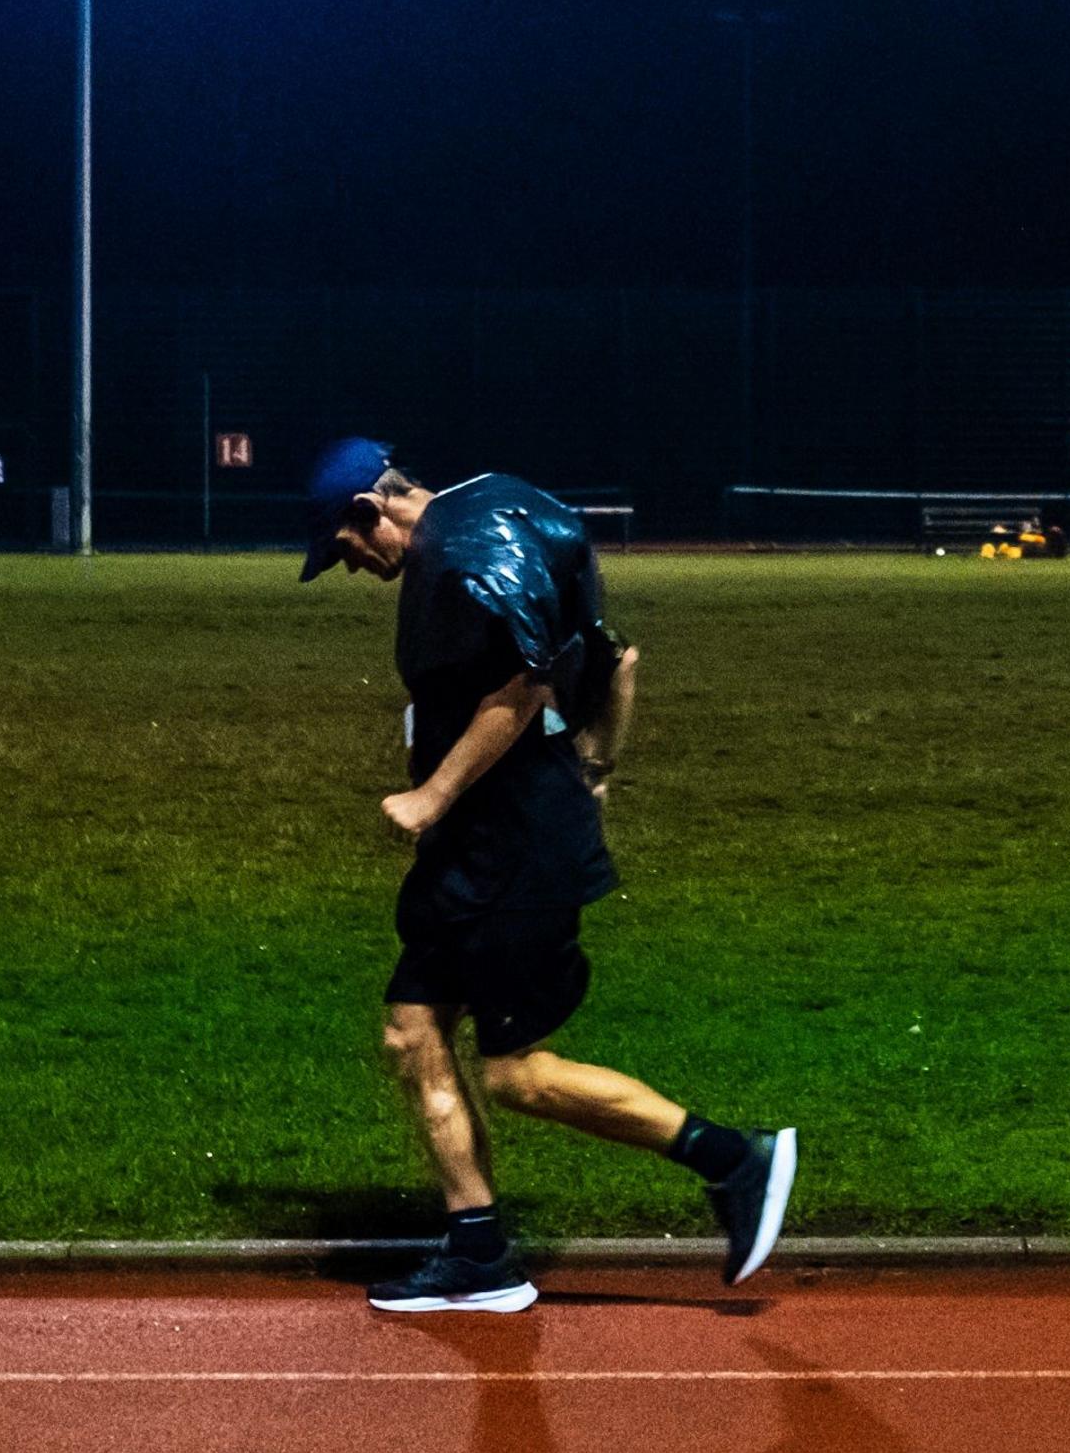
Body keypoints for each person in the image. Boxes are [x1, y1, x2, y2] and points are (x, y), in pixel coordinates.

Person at [302, 437, 796, 1313]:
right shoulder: (500, 499)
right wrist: (596, 769)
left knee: (514, 1074)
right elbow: (616, 656)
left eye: (346, 549)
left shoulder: (460, 557)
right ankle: (480, 1255)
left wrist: (432, 795)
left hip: (510, 847)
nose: (351, 568)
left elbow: (525, 685)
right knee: (412, 1032)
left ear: (369, 512)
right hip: (490, 842)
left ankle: (734, 1158)